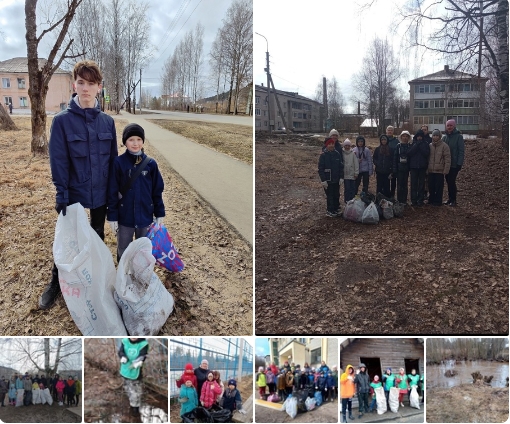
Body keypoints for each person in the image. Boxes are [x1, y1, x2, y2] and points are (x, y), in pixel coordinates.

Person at [40, 59, 117, 310]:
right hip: (74, 192)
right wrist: (61, 193)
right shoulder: (62, 121)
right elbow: (59, 161)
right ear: (74, 84)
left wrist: (113, 193)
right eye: (81, 83)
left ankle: (95, 280)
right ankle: (55, 282)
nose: (85, 89)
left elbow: (113, 160)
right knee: (69, 240)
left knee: (97, 234)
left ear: (99, 87)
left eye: (91, 84)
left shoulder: (107, 123)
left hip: (101, 192)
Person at [107, 123, 165, 259]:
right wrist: (112, 216)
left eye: (139, 139)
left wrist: (159, 212)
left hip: (145, 217)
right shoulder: (118, 163)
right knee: (124, 250)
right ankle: (123, 276)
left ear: (143, 141)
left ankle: (140, 277)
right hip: (124, 218)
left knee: (143, 252)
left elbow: (157, 190)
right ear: (125, 142)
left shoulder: (151, 164)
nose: (135, 143)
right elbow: (112, 191)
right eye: (131, 139)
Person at [118, 338, 149, 415]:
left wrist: (139, 362)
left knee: (136, 392)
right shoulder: (125, 341)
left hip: (135, 371)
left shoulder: (143, 344)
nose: (133, 337)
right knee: (128, 388)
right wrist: (123, 356)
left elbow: (143, 355)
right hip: (125, 369)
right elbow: (120, 351)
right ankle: (131, 403)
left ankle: (135, 408)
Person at [318, 137, 344, 217]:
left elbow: (341, 167)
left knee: (336, 194)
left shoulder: (337, 154)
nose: (331, 145)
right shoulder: (323, 155)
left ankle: (336, 209)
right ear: (326, 145)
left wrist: (341, 177)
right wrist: (323, 180)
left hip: (336, 179)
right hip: (328, 179)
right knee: (330, 195)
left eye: (332, 144)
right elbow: (320, 169)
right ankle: (330, 210)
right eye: (329, 144)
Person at [442, 119, 465, 206]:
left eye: (451, 125)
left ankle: (453, 200)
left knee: (451, 181)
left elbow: (461, 151)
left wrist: (459, 163)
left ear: (454, 126)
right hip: (446, 164)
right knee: (448, 181)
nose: (449, 127)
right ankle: (449, 199)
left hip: (454, 164)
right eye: (448, 126)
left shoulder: (459, 137)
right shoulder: (444, 137)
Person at [428, 129, 451, 205]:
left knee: (439, 187)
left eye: (437, 135)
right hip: (431, 170)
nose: (435, 137)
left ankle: (438, 201)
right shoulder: (430, 145)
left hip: (439, 170)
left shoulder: (444, 146)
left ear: (440, 136)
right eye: (434, 135)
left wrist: (446, 170)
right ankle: (431, 199)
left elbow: (447, 159)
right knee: (431, 186)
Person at [407, 129, 430, 206]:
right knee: (413, 184)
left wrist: (421, 146)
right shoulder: (412, 143)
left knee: (421, 184)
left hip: (422, 167)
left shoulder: (426, 144)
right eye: (418, 136)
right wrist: (416, 145)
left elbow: (426, 154)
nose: (419, 138)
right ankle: (413, 200)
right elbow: (409, 153)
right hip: (413, 167)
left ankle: (420, 200)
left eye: (421, 136)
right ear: (416, 136)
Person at [393, 131, 412, 204]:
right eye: (403, 136)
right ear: (401, 137)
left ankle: (404, 200)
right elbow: (395, 157)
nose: (405, 138)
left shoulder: (410, 146)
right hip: (399, 168)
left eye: (406, 136)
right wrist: (395, 169)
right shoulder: (398, 146)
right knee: (399, 185)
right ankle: (399, 199)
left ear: (408, 137)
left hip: (406, 168)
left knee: (405, 184)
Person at [386, 126, 399, 197]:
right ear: (386, 131)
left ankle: (392, 195)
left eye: (391, 130)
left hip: (394, 163)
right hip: (386, 164)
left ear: (393, 132)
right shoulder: (384, 140)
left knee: (393, 180)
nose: (390, 131)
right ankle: (386, 194)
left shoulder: (396, 141)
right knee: (386, 180)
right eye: (388, 130)